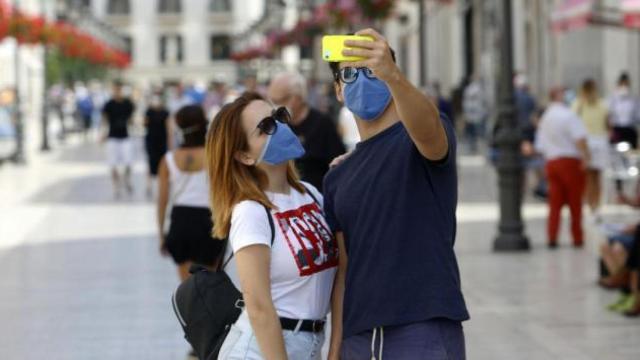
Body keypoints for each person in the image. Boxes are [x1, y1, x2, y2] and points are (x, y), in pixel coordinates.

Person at [324, 29, 468, 359]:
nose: (362, 80)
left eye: (371, 70)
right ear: (338, 91)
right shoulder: (338, 176)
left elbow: (427, 129)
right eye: (349, 73)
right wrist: (337, 346)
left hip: (421, 327)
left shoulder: (419, 138)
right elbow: (344, 270)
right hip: (359, 337)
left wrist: (394, 76)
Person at [206, 92, 336, 359]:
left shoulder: (311, 194)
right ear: (244, 156)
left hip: (311, 343)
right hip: (263, 349)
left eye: (279, 116)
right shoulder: (251, 211)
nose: (280, 128)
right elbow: (259, 307)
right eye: (265, 127)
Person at [157, 105, 222, 281]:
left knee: (188, 288)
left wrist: (161, 234)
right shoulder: (215, 155)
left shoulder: (168, 160)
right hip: (209, 220)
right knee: (212, 285)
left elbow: (162, 201)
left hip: (180, 221)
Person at [267, 72, 346, 192]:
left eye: (279, 100)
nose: (275, 107)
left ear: (297, 97)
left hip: (317, 198)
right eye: (271, 101)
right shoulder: (276, 125)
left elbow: (339, 166)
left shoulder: (322, 123)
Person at [535, 87, 590, 248]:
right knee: (575, 203)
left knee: (554, 203)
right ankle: (577, 237)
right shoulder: (569, 115)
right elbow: (580, 138)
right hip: (570, 162)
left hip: (552, 162)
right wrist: (586, 157)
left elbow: (540, 145)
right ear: (558, 96)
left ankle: (552, 237)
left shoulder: (545, 117)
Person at [572, 79, 609, 221]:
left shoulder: (579, 104)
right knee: (595, 177)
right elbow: (608, 124)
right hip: (598, 140)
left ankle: (593, 206)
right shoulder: (600, 104)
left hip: (589, 140)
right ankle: (595, 206)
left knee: (590, 177)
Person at [102, 82, 135, 198]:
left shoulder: (127, 104)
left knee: (128, 162)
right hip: (112, 137)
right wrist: (103, 133)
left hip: (125, 136)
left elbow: (132, 118)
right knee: (113, 163)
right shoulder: (109, 104)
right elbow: (104, 119)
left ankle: (126, 179)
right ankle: (116, 185)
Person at [144, 94, 170, 198]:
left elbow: (169, 128)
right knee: (150, 162)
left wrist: (170, 143)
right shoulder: (148, 112)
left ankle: (162, 184)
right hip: (151, 140)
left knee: (162, 162)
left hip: (162, 141)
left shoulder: (165, 112)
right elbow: (144, 124)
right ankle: (149, 185)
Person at [609, 72, 640, 149]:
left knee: (631, 151)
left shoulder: (634, 99)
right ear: (619, 84)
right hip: (617, 129)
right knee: (616, 151)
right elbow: (610, 114)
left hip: (630, 129)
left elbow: (637, 115)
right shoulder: (613, 98)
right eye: (622, 84)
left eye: (626, 84)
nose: (624, 87)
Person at [462, 75, 489, 153]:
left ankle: (472, 149)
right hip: (479, 115)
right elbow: (485, 102)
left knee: (472, 134)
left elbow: (465, 103)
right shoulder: (481, 89)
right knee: (479, 134)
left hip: (472, 115)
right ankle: (479, 149)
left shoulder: (468, 90)